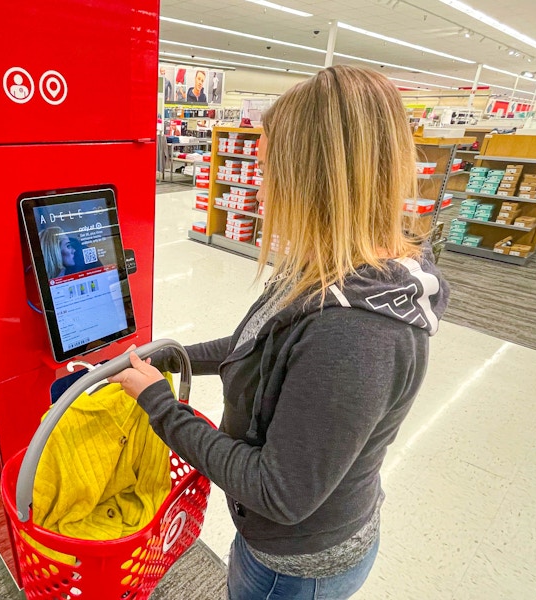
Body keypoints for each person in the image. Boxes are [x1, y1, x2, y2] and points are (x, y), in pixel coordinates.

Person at [108, 65, 449, 600]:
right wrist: (172, 359)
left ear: (314, 181)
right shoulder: (330, 268)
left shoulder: (356, 334)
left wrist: (160, 406)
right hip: (279, 546)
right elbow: (259, 344)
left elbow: (278, 491)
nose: (261, 191)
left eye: (271, 172)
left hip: (296, 567)